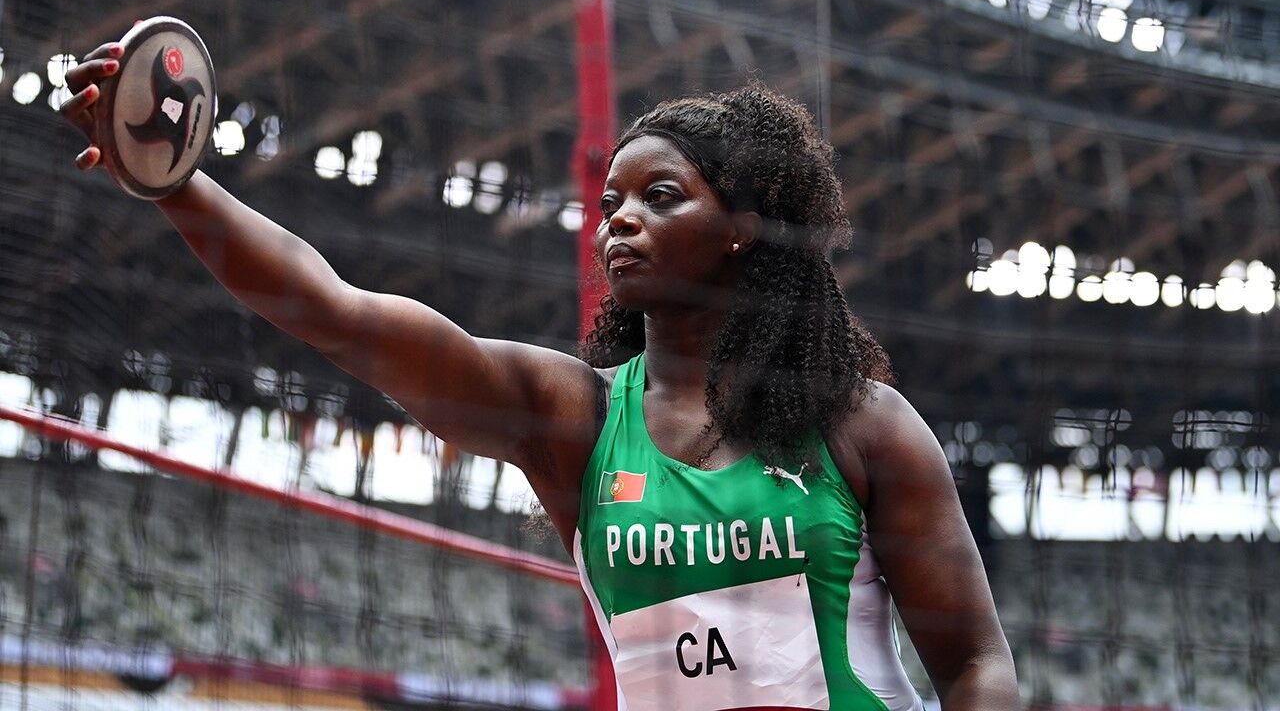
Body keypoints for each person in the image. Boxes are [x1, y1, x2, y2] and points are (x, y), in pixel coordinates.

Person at [60, 41, 1019, 710]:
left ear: (742, 228)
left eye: (661, 196)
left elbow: (974, 660)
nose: (619, 221)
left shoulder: (863, 424)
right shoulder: (576, 421)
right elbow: (337, 311)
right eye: (610, 202)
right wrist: (174, 180)